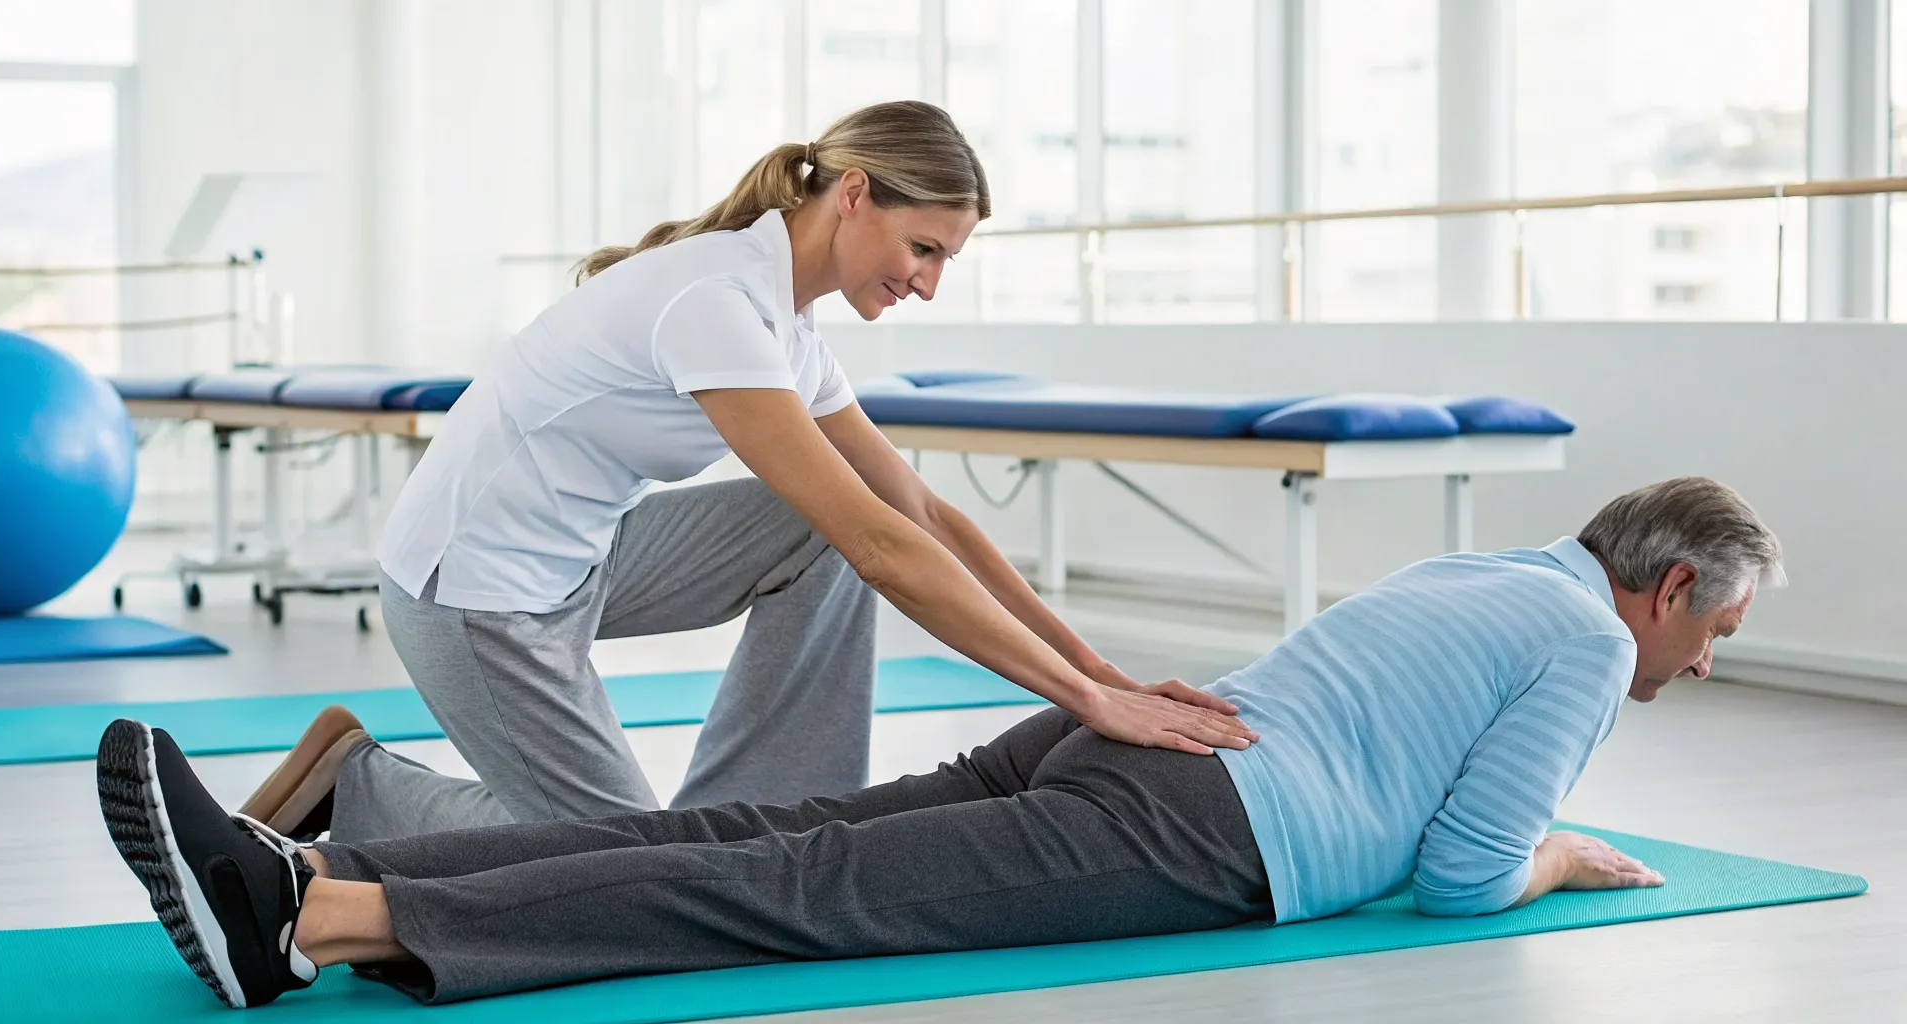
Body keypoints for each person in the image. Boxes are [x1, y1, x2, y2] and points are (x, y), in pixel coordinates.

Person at [98, 476, 1781, 1009]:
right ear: (1672, 583)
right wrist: (1564, 848)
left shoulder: (1484, 566)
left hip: (1126, 741)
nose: (1698, 665)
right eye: (1710, 634)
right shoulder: (1578, 635)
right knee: (792, 894)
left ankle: (331, 861)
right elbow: (1467, 876)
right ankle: (318, 917)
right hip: (1212, 828)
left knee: (755, 837)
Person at [237, 99, 1254, 848]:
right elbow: (882, 546)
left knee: (815, 539)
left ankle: (758, 830)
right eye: (921, 248)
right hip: (472, 591)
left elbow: (918, 512)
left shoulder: (786, 321)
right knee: (629, 875)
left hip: (579, 560)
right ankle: (360, 784)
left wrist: (1105, 674)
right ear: (852, 196)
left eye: (947, 260)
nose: (929, 283)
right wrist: (1087, 706)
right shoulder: (714, 301)